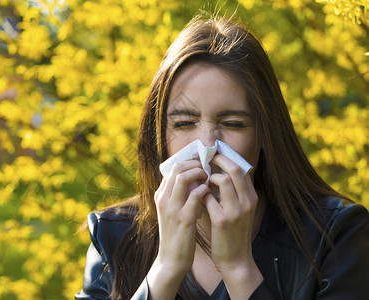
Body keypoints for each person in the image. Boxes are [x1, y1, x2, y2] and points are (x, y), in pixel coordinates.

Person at [75, 13, 369, 300]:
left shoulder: (335, 235)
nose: (207, 146)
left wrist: (240, 270)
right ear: (158, 135)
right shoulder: (112, 237)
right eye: (184, 123)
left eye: (233, 124)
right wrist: (165, 270)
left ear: (265, 133)